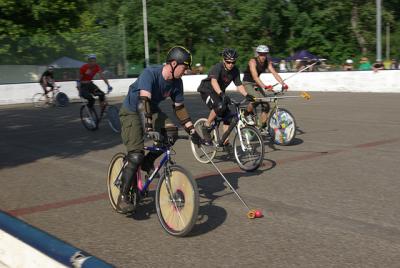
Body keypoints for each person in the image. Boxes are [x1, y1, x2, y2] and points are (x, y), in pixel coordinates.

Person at [118, 46, 202, 212]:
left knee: (171, 133)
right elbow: (144, 102)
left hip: (152, 110)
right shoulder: (150, 73)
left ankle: (148, 162)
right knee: (135, 155)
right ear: (173, 64)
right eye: (184, 68)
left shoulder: (177, 83)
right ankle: (123, 197)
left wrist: (193, 132)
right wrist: (148, 127)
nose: (185, 72)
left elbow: (180, 109)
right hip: (132, 111)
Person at [197, 48, 256, 144]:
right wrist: (221, 94)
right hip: (207, 90)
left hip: (219, 92)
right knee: (219, 106)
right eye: (228, 62)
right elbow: (214, 81)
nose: (231, 64)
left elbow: (239, 85)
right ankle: (206, 126)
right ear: (224, 60)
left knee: (228, 117)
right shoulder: (218, 67)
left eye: (233, 62)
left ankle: (225, 141)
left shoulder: (235, 70)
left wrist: (247, 95)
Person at [242, 45, 288, 128]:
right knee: (255, 99)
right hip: (247, 83)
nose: (263, 56)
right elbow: (255, 77)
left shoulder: (267, 62)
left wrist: (283, 84)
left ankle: (262, 126)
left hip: (256, 84)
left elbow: (275, 73)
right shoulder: (252, 61)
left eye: (265, 54)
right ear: (258, 54)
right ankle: (246, 114)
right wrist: (265, 87)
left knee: (266, 105)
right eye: (261, 54)